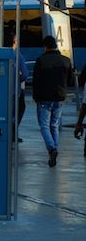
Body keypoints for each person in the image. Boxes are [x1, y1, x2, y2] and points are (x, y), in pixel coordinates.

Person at [31, 35, 75, 168]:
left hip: (44, 98)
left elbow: (35, 81)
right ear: (56, 45)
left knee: (44, 125)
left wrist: (35, 97)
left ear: (45, 47)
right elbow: (71, 81)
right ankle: (53, 150)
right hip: (59, 97)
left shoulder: (41, 61)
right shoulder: (66, 61)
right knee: (54, 125)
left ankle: (52, 149)